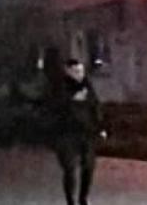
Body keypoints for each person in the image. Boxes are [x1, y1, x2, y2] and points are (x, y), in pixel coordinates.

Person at [48, 59, 106, 205]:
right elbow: (53, 108)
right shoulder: (60, 86)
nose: (80, 74)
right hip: (66, 134)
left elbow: (95, 107)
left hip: (86, 132)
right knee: (70, 168)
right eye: (76, 71)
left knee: (89, 166)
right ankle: (70, 201)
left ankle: (83, 198)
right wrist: (72, 100)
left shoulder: (86, 86)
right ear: (68, 71)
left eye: (81, 71)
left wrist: (101, 127)